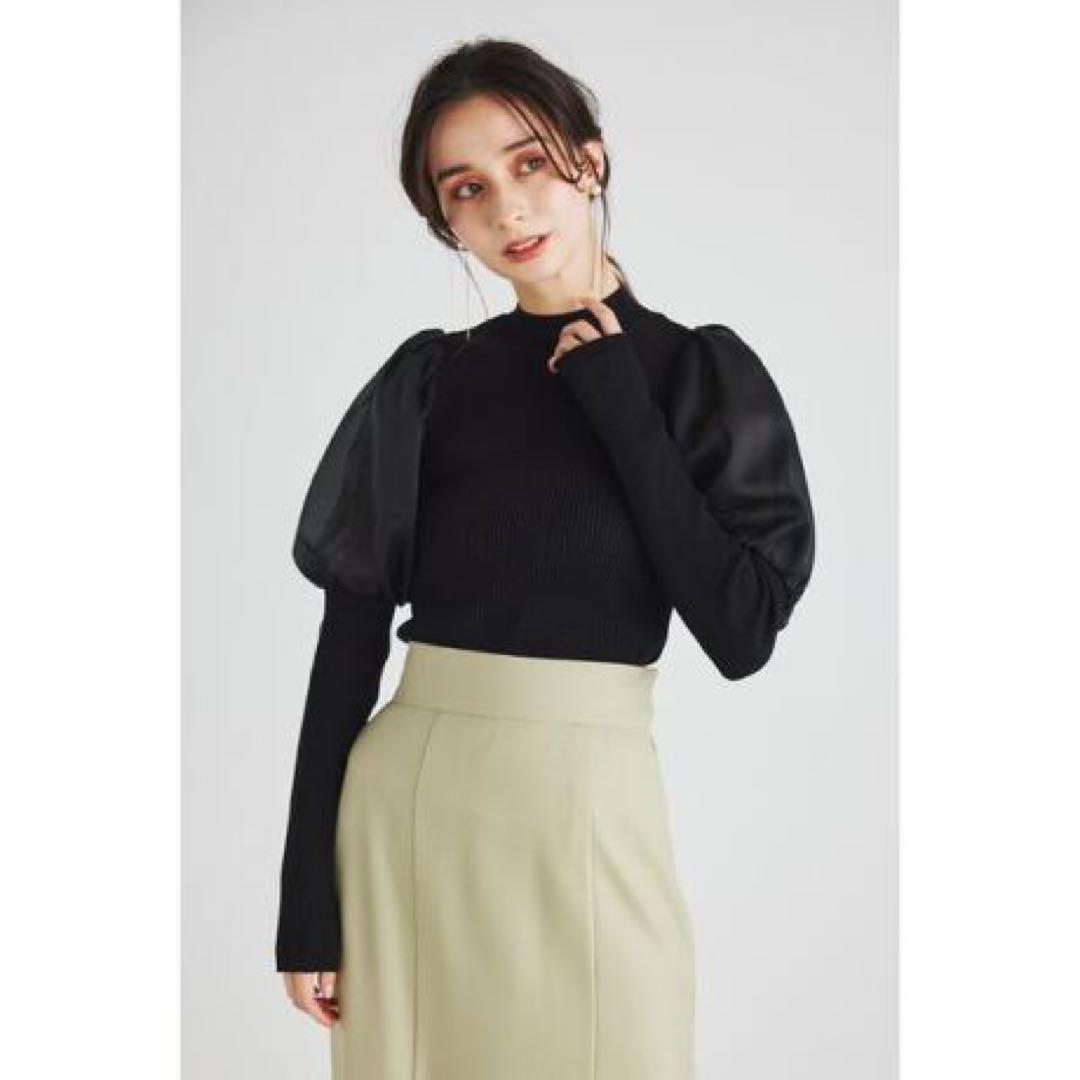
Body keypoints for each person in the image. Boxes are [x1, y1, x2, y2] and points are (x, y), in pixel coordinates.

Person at [276, 37, 815, 1080]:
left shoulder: (697, 375)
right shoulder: (428, 386)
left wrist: (619, 404)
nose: (508, 208)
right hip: (410, 812)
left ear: (591, 160)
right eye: (467, 189)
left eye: (529, 163)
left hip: (592, 804)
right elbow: (345, 653)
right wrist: (306, 910)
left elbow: (741, 631)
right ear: (446, 221)